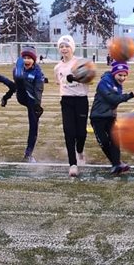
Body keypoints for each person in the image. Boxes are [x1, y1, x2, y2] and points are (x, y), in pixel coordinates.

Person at [90, 61, 134, 175]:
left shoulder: (117, 84)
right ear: (114, 73)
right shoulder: (104, 82)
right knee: (104, 142)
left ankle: (117, 164)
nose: (122, 78)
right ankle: (116, 163)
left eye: (125, 75)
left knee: (115, 140)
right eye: (120, 75)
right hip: (98, 117)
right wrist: (129, 95)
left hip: (110, 116)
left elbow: (116, 99)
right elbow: (113, 99)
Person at [3, 46, 46, 162]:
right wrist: (6, 97)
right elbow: (15, 87)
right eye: (24, 58)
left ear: (34, 60)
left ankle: (28, 153)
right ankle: (20, 78)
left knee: (34, 125)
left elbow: (38, 89)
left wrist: (38, 105)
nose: (27, 60)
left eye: (29, 58)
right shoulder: (17, 70)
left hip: (32, 100)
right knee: (19, 81)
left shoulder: (38, 72)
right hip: (22, 97)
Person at [54, 35, 90, 177]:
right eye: (61, 46)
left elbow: (90, 81)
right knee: (69, 132)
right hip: (66, 101)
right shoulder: (58, 67)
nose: (64, 49)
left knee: (81, 133)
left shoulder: (80, 63)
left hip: (81, 100)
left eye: (67, 46)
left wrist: (76, 78)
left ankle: (80, 152)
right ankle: (73, 164)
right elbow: (59, 82)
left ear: (72, 48)